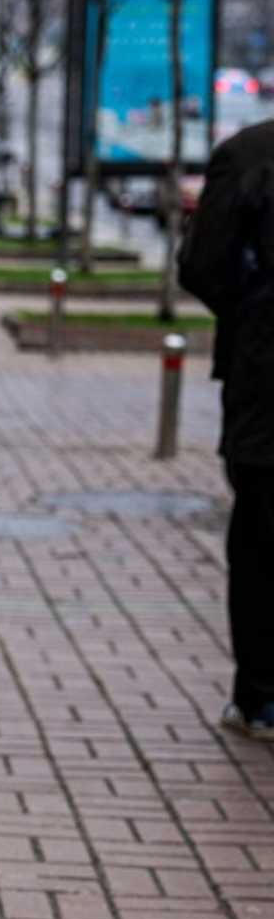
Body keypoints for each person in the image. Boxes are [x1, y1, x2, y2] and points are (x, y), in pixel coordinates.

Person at [179, 117, 274, 740]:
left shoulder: (247, 155)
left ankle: (261, 695)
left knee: (262, 536)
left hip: (265, 375)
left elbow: (203, 265)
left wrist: (252, 312)